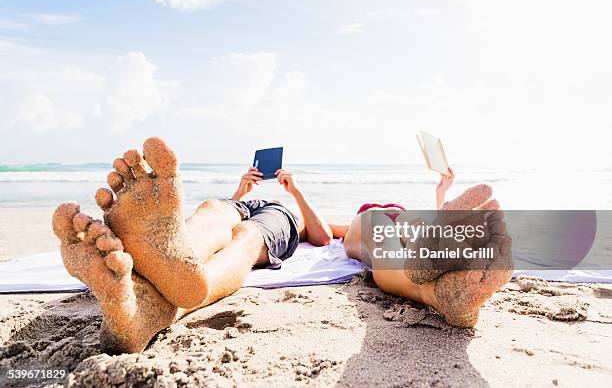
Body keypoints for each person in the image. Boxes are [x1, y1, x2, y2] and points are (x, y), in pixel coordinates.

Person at [52, 137, 331, 353]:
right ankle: (167, 263)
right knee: (212, 209)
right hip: (241, 204)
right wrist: (242, 190)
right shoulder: (243, 195)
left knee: (246, 234)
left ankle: (152, 303)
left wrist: (294, 191)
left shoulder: (290, 207)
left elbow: (324, 236)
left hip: (276, 211)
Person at [330, 168, 513, 328]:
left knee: (388, 234)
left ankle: (437, 289)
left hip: (395, 220)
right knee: (411, 228)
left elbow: (324, 232)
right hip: (403, 218)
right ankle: (441, 280)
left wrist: (442, 190)